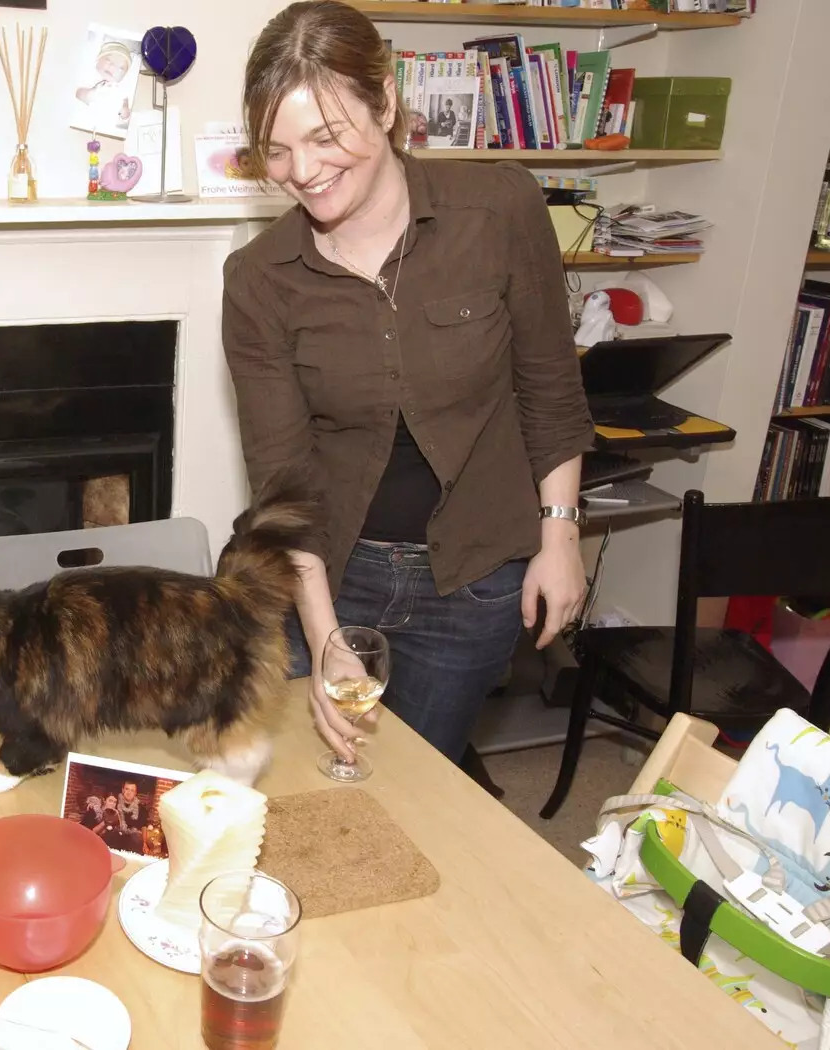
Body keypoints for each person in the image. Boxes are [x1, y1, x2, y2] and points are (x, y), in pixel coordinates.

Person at [221, 1, 594, 771]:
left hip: (476, 581)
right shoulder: (257, 281)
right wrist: (323, 638)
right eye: (277, 150)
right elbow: (282, 481)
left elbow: (550, 387)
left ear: (386, 103)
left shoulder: (500, 210)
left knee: (419, 789)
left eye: (326, 137)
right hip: (329, 577)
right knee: (302, 788)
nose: (303, 171)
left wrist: (560, 537)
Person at [75, 39, 136, 131]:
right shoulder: (90, 76)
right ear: (98, 59)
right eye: (108, 60)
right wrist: (90, 93)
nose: (112, 67)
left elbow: (125, 117)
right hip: (84, 119)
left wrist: (125, 111)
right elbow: (78, 93)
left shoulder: (121, 91)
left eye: (120, 68)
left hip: (105, 126)